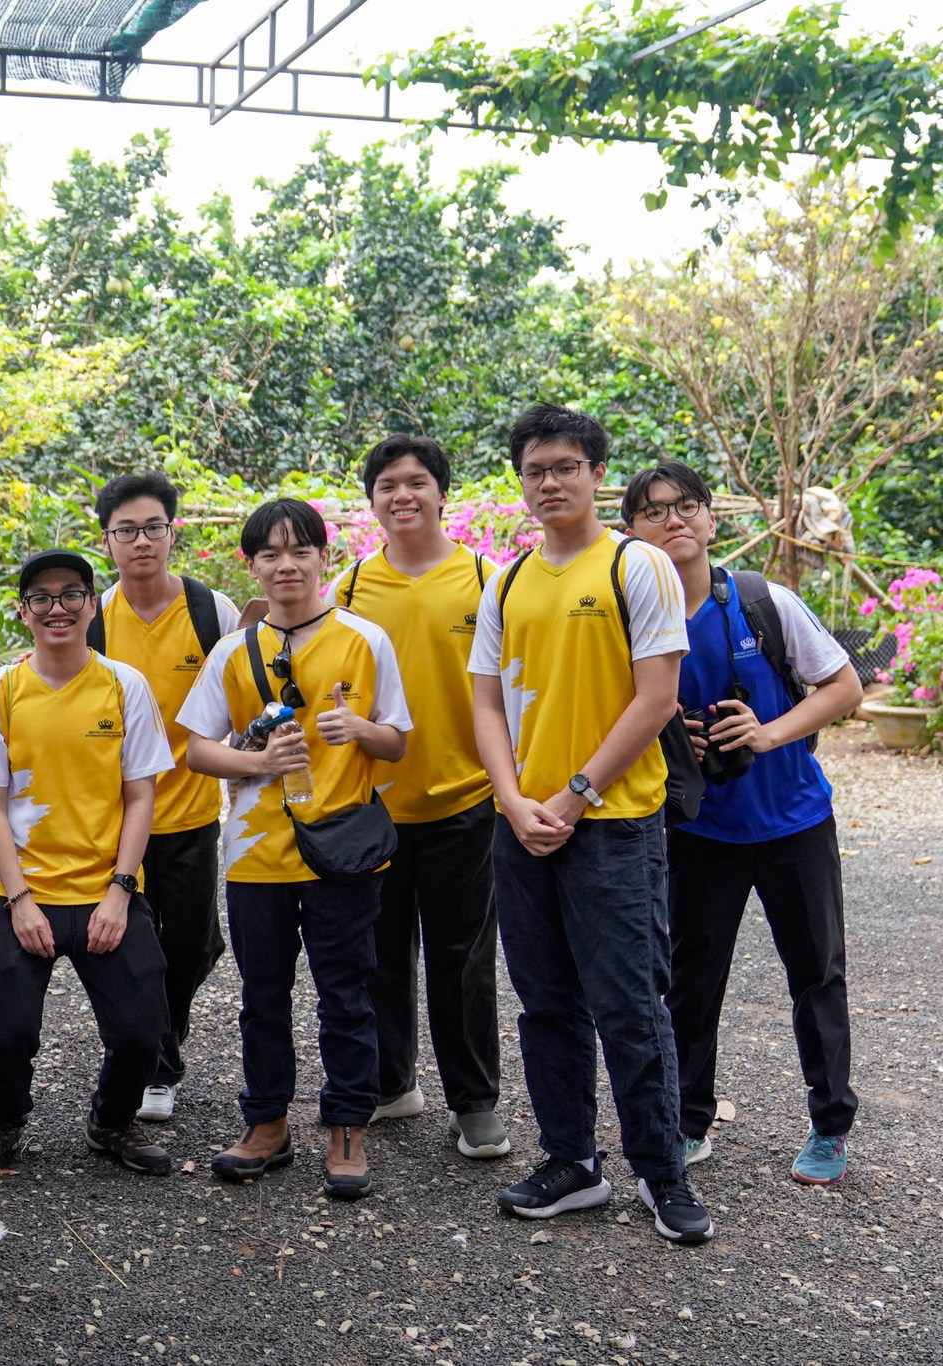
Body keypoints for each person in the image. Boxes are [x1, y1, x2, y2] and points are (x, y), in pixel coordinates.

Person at [468, 403, 713, 1245]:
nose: (550, 483)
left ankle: (661, 1171)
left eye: (566, 467)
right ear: (521, 482)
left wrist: (572, 795)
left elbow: (657, 698)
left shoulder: (635, 564)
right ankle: (571, 1161)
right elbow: (485, 702)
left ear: (596, 474)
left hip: (613, 825)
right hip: (522, 825)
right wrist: (511, 800)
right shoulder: (507, 582)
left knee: (630, 1003)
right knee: (544, 1002)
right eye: (535, 470)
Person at [623, 461, 863, 1186]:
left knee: (817, 973)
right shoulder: (631, 620)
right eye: (655, 511)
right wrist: (673, 741)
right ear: (630, 532)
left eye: (687, 505)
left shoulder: (762, 601)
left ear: (710, 519)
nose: (674, 520)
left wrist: (766, 733)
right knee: (692, 981)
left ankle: (830, 1125)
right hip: (699, 831)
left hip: (795, 821)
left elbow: (844, 686)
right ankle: (688, 1120)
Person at [179, 500, 410, 1199]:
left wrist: (358, 729)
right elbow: (196, 749)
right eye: (270, 553)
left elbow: (397, 741)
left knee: (347, 991)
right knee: (262, 995)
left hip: (342, 848)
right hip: (256, 854)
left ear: (322, 558)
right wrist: (258, 764)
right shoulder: (232, 651)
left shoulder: (365, 639)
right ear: (251, 565)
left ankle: (347, 1124)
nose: (286, 565)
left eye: (300, 550)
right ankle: (266, 1121)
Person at [0, 548, 176, 1179]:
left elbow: (141, 795)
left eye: (71, 594)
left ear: (92, 605)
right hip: (20, 889)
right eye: (42, 598)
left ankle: (113, 1120)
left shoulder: (125, 686)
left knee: (142, 1029)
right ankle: (5, 1118)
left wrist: (120, 891)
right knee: (7, 1030)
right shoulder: (0, 691)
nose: (58, 608)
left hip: (108, 887)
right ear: (23, 612)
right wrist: (20, 900)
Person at [329, 436, 509, 1160]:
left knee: (463, 960)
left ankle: (475, 1102)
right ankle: (390, 1082)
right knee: (377, 953)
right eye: (387, 485)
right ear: (372, 501)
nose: (402, 495)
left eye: (416, 482)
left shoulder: (488, 580)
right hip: (373, 804)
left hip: (465, 798)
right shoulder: (347, 589)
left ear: (442, 493)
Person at [87, 472, 238, 1123]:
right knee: (131, 947)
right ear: (107, 541)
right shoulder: (93, 620)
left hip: (192, 815)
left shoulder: (211, 612)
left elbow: (243, 698)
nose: (142, 541)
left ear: (172, 532)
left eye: (153, 527)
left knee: (189, 948)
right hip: (118, 821)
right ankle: (155, 1063)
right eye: (127, 530)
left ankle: (158, 1042)